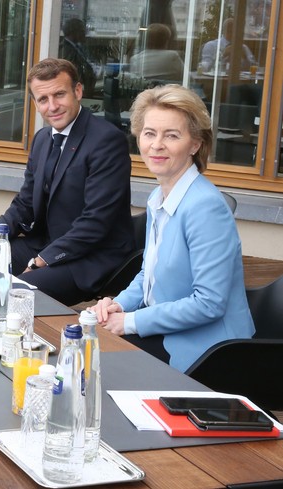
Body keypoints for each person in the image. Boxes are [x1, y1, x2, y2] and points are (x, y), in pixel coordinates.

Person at [90, 84, 254, 372]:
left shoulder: (205, 207)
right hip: (167, 329)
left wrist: (130, 322)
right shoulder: (160, 197)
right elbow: (148, 274)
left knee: (95, 364)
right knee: (84, 348)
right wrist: (120, 305)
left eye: (172, 135)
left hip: (211, 350)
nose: (156, 145)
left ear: (195, 144)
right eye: (149, 133)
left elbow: (209, 303)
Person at [0, 58, 135, 306]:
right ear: (35, 103)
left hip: (90, 257)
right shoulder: (42, 139)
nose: (53, 106)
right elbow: (25, 202)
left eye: (60, 95)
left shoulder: (106, 141)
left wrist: (42, 260)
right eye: (43, 99)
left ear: (77, 92)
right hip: (47, 243)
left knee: (17, 296)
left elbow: (96, 221)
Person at [59, 18, 97, 98]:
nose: (85, 34)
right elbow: (71, 72)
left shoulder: (77, 47)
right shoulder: (66, 50)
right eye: (82, 31)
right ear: (74, 32)